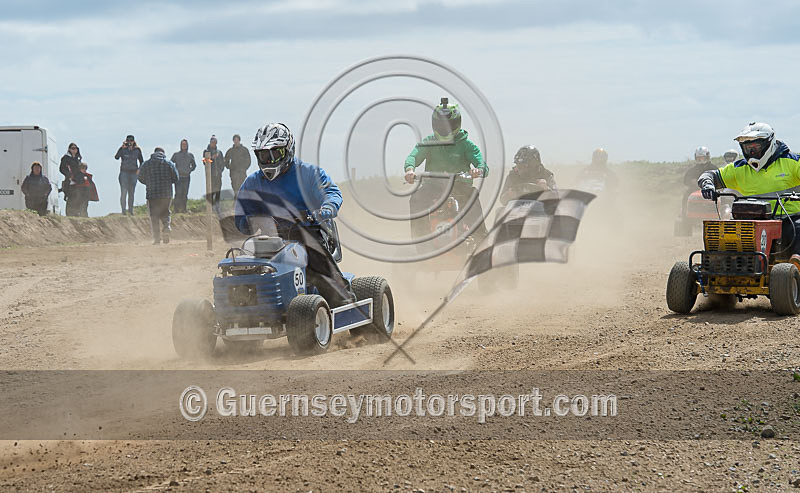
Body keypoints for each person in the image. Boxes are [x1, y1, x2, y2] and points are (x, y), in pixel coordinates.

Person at [235, 122, 354, 306]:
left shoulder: (307, 173)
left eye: (276, 153)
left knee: (310, 248)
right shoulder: (252, 183)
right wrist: (250, 222)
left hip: (309, 231)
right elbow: (241, 217)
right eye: (264, 154)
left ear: (288, 150)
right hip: (271, 239)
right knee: (244, 258)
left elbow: (332, 194)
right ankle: (245, 305)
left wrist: (324, 210)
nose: (270, 159)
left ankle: (342, 299)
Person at [699, 122, 800, 256]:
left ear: (768, 143)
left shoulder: (792, 162)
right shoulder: (738, 169)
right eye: (747, 148)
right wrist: (707, 184)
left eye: (756, 147)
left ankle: (797, 264)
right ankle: (720, 265)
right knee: (725, 231)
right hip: (751, 220)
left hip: (789, 219)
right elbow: (710, 175)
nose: (751, 152)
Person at [403, 97, 490, 240]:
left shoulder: (466, 144)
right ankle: (420, 238)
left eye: (449, 125)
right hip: (432, 187)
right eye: (441, 125)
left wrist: (478, 169)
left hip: (460, 187)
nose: (445, 129)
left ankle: (481, 236)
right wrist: (409, 170)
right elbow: (414, 156)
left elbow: (482, 165)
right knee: (416, 198)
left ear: (457, 123)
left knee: (473, 196)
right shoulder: (429, 142)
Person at [138, 147, 179, 244]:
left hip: (152, 194)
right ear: (163, 153)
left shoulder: (146, 164)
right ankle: (166, 227)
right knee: (166, 213)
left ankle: (157, 239)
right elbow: (176, 178)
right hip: (166, 194)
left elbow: (140, 177)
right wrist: (168, 182)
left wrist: (148, 182)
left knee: (154, 216)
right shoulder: (169, 164)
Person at [681, 146, 718, 217]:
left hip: (712, 189)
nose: (701, 160)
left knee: (723, 197)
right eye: (699, 158)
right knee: (686, 196)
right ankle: (685, 214)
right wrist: (692, 182)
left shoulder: (713, 168)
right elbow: (686, 180)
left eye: (703, 158)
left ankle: (723, 214)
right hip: (694, 190)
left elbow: (719, 178)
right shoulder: (693, 170)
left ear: (707, 157)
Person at [114, 134, 144, 215]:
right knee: (124, 192)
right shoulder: (123, 149)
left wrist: (139, 170)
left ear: (134, 141)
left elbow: (142, 161)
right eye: (128, 141)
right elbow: (116, 157)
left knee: (131, 193)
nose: (130, 142)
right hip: (124, 173)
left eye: (131, 141)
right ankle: (123, 211)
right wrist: (121, 148)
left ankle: (130, 210)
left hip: (133, 173)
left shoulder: (137, 150)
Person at [170, 139, 196, 213]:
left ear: (187, 145)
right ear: (180, 145)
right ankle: (176, 209)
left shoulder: (190, 155)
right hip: (178, 177)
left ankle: (184, 209)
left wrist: (189, 170)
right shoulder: (176, 155)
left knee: (185, 193)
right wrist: (174, 172)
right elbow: (171, 164)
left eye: (185, 144)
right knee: (178, 193)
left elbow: (194, 165)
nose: (184, 146)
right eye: (182, 144)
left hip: (186, 177)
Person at [224, 134, 251, 199]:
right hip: (233, 172)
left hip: (242, 172)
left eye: (237, 140)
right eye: (235, 140)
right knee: (234, 186)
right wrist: (229, 167)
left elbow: (248, 160)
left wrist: (245, 168)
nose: (236, 141)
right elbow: (226, 160)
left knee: (242, 186)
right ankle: (236, 200)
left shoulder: (244, 150)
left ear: (239, 140)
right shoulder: (230, 150)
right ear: (233, 141)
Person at [204, 135, 225, 210]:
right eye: (212, 142)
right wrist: (211, 158)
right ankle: (211, 207)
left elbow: (223, 163)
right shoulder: (206, 151)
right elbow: (204, 162)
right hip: (210, 175)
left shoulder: (219, 152)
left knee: (218, 191)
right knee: (211, 191)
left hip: (218, 175)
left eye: (214, 142)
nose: (213, 143)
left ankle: (217, 207)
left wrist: (220, 170)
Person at [59, 142, 82, 210]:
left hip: (78, 181)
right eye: (73, 148)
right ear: (69, 149)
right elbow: (61, 169)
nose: (74, 150)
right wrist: (68, 175)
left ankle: (78, 213)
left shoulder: (78, 158)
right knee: (70, 198)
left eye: (76, 148)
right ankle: (70, 213)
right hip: (70, 181)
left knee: (78, 198)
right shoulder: (66, 158)